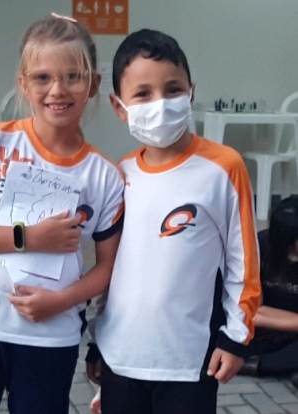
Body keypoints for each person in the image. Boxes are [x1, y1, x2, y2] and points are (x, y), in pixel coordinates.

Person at [0, 13, 124, 414]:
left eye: (73, 76)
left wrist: (63, 300)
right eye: (42, 78)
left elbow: (109, 267)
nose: (58, 89)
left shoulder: (104, 175)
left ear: (93, 84)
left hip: (51, 336)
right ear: (23, 83)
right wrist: (27, 237)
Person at [91, 29, 261, 414]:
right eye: (143, 94)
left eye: (173, 90)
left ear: (191, 92)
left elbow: (243, 263)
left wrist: (235, 338)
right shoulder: (121, 173)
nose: (161, 104)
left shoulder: (224, 168)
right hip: (121, 358)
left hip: (189, 362)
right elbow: (112, 267)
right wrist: (98, 346)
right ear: (119, 106)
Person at [241, 196, 298, 388]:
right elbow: (252, 311)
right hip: (263, 330)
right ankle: (271, 364)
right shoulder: (259, 247)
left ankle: (258, 365)